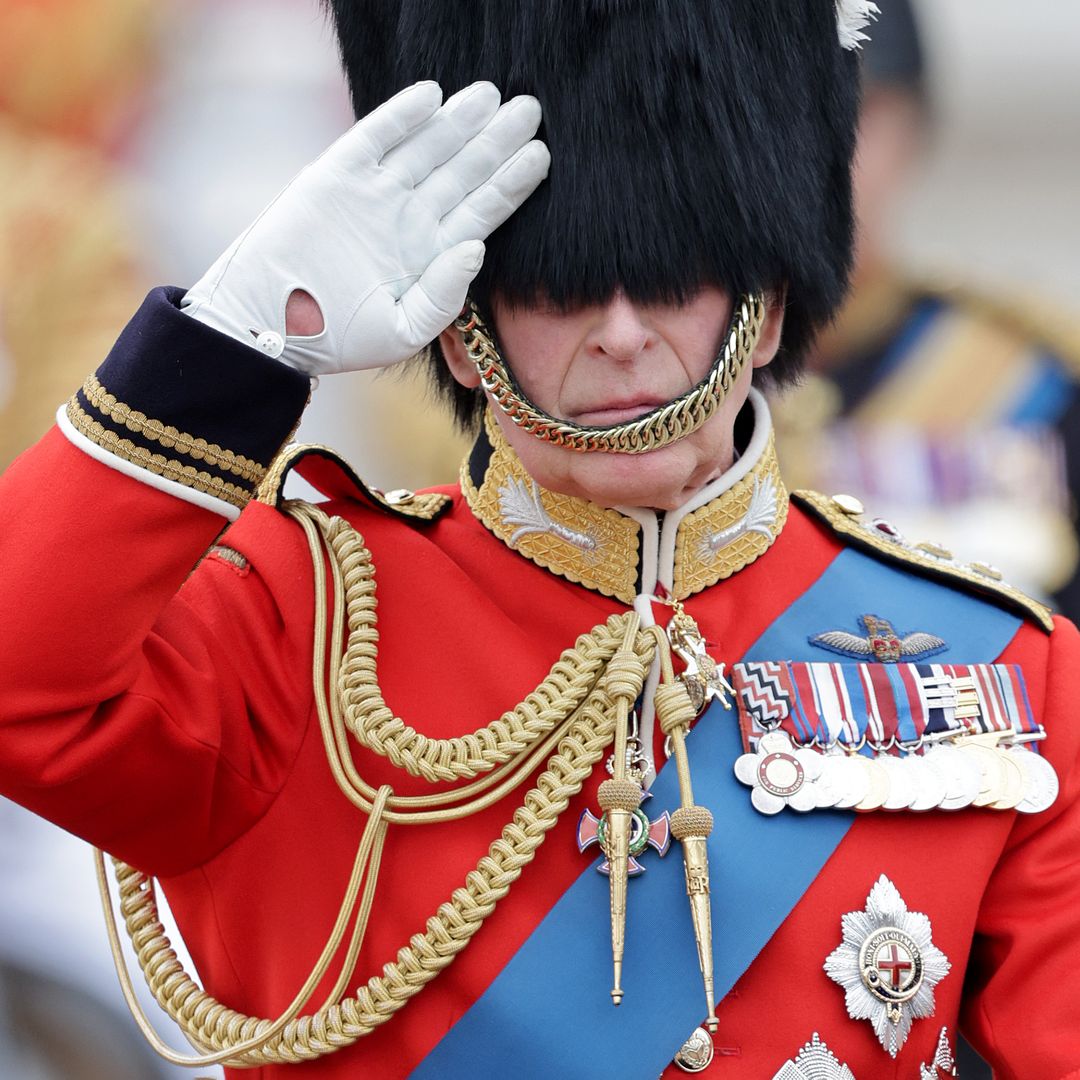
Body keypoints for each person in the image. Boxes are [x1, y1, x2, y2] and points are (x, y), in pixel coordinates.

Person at [1, 2, 1079, 1077]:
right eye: (558, 287)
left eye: (666, 278)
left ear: (771, 302)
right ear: (464, 338)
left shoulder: (1004, 671)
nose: (619, 334)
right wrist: (233, 339)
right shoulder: (298, 621)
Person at [772, 0, 1080, 618]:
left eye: (856, 111)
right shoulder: (651, 362)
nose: (821, 150)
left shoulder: (1027, 377)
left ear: (914, 129)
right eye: (787, 113)